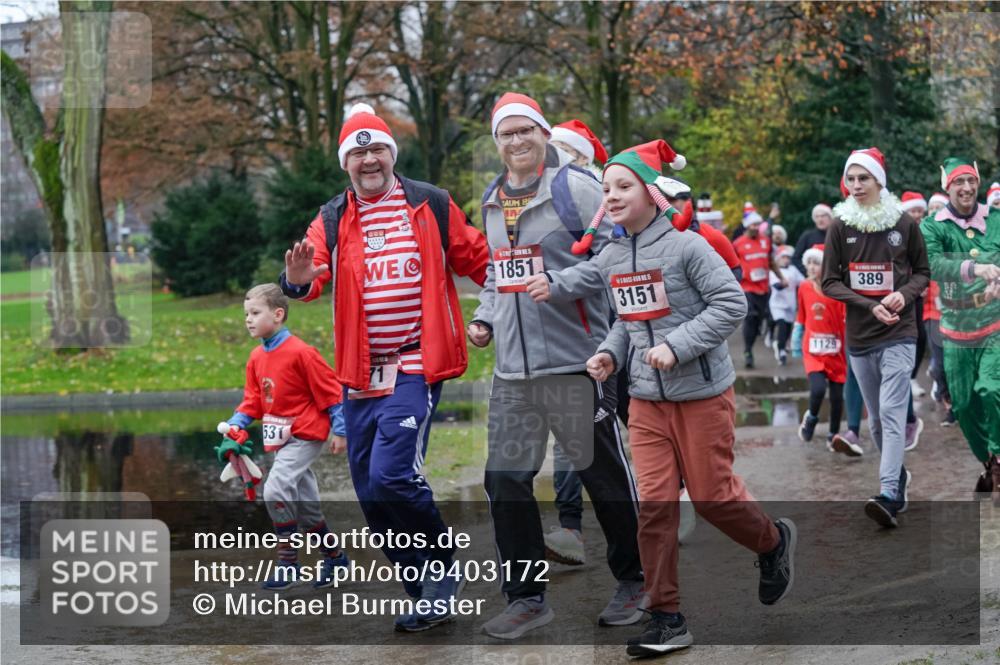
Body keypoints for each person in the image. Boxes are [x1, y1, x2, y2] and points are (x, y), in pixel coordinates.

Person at [536, 139, 795, 657]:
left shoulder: (687, 247)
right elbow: (627, 323)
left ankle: (772, 542)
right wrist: (610, 355)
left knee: (711, 497)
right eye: (606, 188)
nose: (609, 196)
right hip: (647, 401)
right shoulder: (611, 253)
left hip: (701, 394)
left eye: (623, 186)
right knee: (654, 509)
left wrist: (676, 346)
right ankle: (666, 616)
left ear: (652, 192)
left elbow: (731, 305)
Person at [280, 103, 490, 631]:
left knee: (393, 474)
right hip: (361, 372)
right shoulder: (333, 216)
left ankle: (442, 568)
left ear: (391, 155)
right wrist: (299, 278)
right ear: (345, 163)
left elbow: (479, 259)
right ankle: (423, 588)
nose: (368, 159)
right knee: (369, 490)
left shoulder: (430, 203)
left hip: (419, 362)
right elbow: (311, 275)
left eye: (377, 149)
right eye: (358, 152)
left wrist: (532, 292)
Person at [469, 92, 644, 639]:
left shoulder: (577, 187)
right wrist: (486, 318)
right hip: (514, 373)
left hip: (577, 363)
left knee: (602, 477)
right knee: (504, 479)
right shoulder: (493, 198)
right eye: (506, 134)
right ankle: (525, 598)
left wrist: (563, 283)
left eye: (526, 131)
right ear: (497, 143)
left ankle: (637, 581)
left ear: (544, 134)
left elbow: (619, 256)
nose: (517, 141)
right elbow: (500, 274)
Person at [821, 147, 930, 527]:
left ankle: (888, 493)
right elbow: (829, 282)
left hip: (900, 332)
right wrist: (868, 304)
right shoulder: (839, 225)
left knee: (891, 411)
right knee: (878, 422)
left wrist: (905, 294)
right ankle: (897, 476)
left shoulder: (902, 223)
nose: (855, 185)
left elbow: (922, 272)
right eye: (850, 179)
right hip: (861, 338)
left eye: (862, 178)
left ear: (879, 180)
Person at [225, 284, 349, 589]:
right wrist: (236, 425)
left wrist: (341, 430)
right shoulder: (256, 357)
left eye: (255, 313)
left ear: (278, 314)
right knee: (307, 507)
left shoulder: (302, 353)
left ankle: (288, 563)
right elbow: (253, 399)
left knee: (275, 489)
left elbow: (332, 394)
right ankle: (335, 558)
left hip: (306, 434)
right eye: (246, 314)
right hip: (280, 440)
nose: (248, 320)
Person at [543, 118, 609, 566]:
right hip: (575, 344)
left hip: (625, 333)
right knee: (572, 439)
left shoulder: (602, 198)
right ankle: (570, 530)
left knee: (644, 430)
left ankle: (672, 503)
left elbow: (615, 260)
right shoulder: (535, 201)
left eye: (563, 151)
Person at [919, 157, 1000, 505]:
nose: (966, 188)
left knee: (991, 389)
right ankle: (987, 460)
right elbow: (934, 264)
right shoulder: (932, 226)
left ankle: (999, 464)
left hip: (994, 323)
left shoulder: (996, 220)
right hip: (954, 328)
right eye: (958, 182)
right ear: (946, 187)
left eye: (971, 181)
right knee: (964, 406)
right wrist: (975, 267)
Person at [792, 247, 848, 449]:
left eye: (817, 263)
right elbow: (801, 316)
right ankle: (811, 418)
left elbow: (845, 317)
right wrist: (796, 341)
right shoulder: (804, 287)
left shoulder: (837, 289)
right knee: (817, 389)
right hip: (813, 350)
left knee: (836, 396)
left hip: (836, 350)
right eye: (810, 263)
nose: (812, 267)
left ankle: (833, 434)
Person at [732, 202, 786, 368]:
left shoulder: (765, 241)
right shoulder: (738, 243)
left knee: (759, 321)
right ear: (747, 226)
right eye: (753, 224)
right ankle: (748, 351)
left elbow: (771, 262)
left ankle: (750, 344)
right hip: (746, 288)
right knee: (750, 317)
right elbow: (732, 265)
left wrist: (781, 277)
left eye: (757, 224)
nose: (755, 227)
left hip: (763, 288)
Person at [769, 245, 804, 365]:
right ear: (778, 258)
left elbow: (803, 282)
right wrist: (783, 284)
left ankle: (781, 345)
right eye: (783, 257)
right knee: (782, 325)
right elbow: (776, 286)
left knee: (788, 328)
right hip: (777, 304)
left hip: (790, 305)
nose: (786, 260)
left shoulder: (793, 270)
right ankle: (781, 350)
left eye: (788, 257)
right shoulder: (774, 271)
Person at [792, 203, 833, 275]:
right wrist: (808, 272)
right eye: (817, 217)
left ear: (830, 217)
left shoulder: (836, 235)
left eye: (823, 216)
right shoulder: (807, 236)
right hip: (813, 279)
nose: (820, 219)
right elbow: (795, 258)